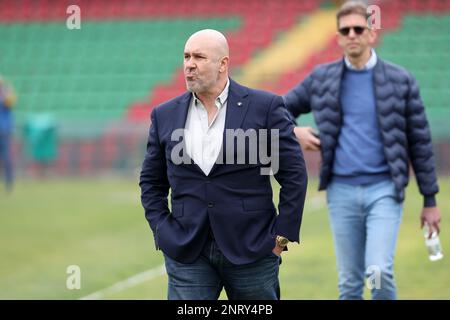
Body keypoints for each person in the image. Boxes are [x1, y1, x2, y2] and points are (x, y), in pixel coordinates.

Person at [284, 1, 441, 300]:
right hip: (341, 192)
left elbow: (419, 141)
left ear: (371, 33)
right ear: (339, 37)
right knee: (349, 285)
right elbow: (279, 109)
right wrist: (294, 131)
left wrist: (430, 200)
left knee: (379, 271)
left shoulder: (401, 80)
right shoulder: (322, 78)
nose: (352, 34)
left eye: (359, 28)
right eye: (346, 30)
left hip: (384, 190)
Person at [139, 29, 307, 300]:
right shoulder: (164, 114)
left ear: (223, 64)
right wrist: (162, 230)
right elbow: (151, 181)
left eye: (199, 57)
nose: (189, 64)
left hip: (253, 249)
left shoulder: (265, 108)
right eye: (186, 56)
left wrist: (280, 239)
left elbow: (293, 175)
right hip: (187, 250)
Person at [0, 76, 17, 192]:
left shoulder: (6, 96)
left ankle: (9, 183)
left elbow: (10, 101)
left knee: (6, 158)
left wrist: (7, 91)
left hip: (4, 131)